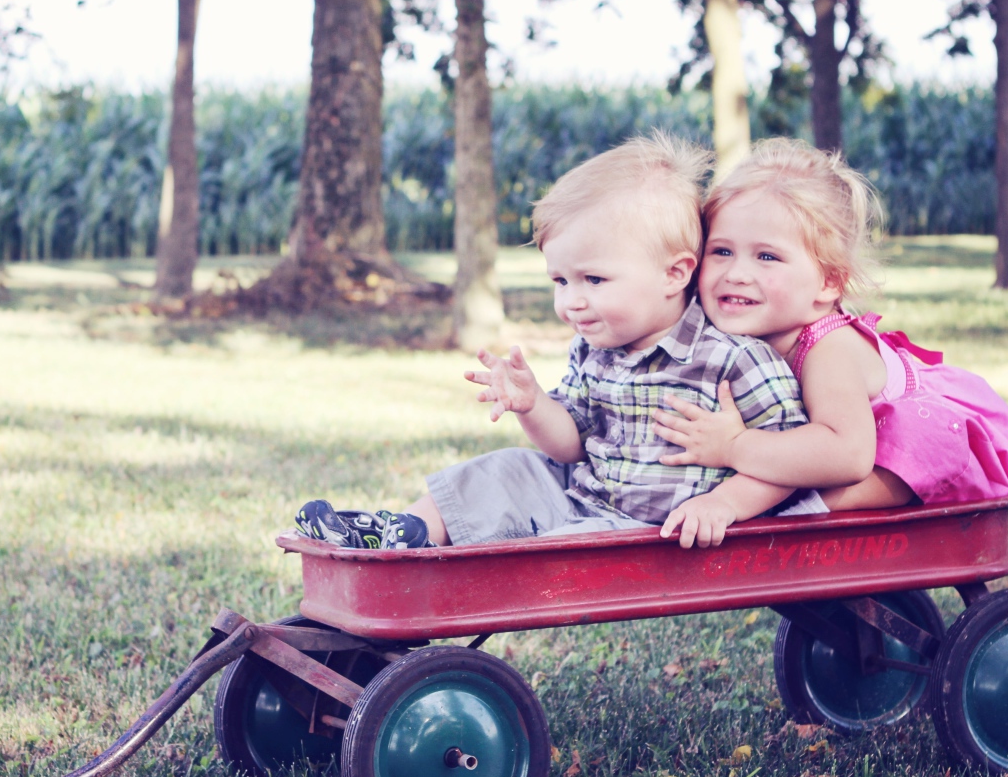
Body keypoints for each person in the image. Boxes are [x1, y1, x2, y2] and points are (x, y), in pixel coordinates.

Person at [295, 132, 818, 552]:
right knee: (506, 468)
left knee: (554, 552)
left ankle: (441, 568)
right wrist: (533, 405)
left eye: (593, 280)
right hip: (583, 498)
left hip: (649, 535)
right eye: (560, 281)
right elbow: (569, 444)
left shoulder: (733, 359)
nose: (571, 302)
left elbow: (792, 463)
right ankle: (401, 534)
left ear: (674, 273)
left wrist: (725, 503)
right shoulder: (595, 346)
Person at [652, 137, 1008, 522]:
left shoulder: (828, 350)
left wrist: (734, 446)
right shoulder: (742, 331)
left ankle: (797, 512)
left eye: (767, 256)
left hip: (922, 449)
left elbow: (847, 455)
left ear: (828, 283)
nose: (736, 274)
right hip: (849, 445)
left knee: (820, 472)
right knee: (789, 466)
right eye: (722, 251)